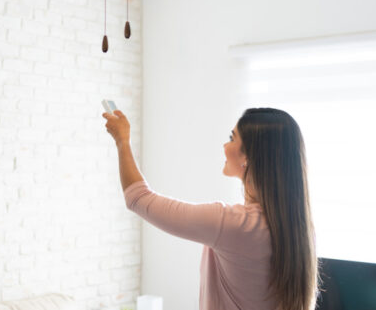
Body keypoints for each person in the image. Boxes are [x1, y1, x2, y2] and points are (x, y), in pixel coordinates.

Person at [102, 107, 318, 310]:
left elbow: (138, 198)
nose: (225, 146)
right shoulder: (297, 227)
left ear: (248, 157)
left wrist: (123, 141)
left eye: (232, 138)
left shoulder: (235, 224)